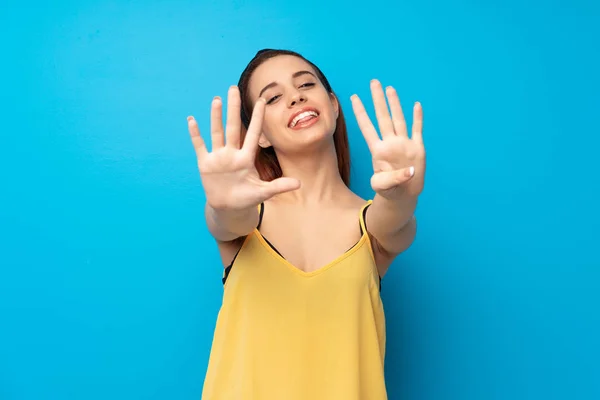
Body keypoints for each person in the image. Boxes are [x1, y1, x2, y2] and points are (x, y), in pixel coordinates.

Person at [187, 48, 425, 400]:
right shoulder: (246, 217)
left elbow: (396, 220)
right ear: (261, 135)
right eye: (273, 97)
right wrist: (222, 204)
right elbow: (225, 220)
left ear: (332, 104)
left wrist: (402, 192)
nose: (295, 97)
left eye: (306, 85)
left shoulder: (372, 226)